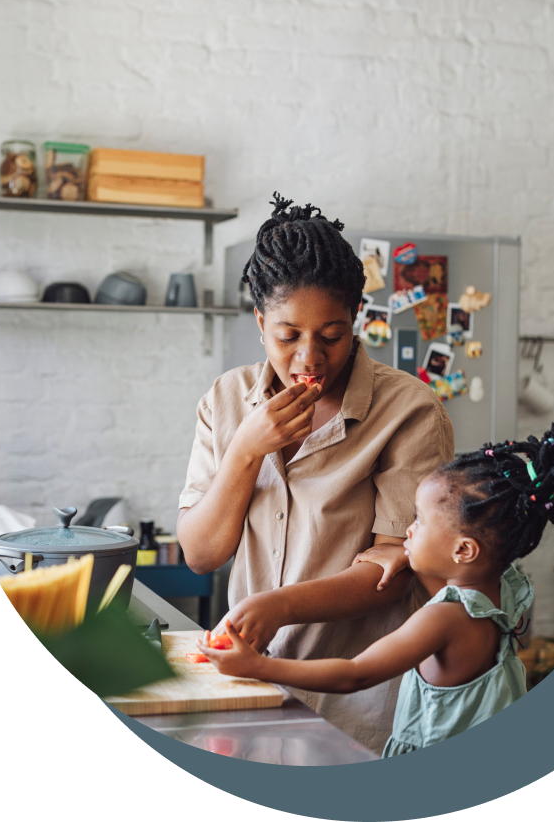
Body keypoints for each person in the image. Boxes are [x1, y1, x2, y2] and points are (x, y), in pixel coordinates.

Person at [176, 193, 454, 754]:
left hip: (355, 706)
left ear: (356, 320)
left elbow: (395, 571)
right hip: (247, 688)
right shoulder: (227, 400)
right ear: (260, 323)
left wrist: (279, 604)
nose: (309, 359)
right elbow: (201, 554)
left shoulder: (411, 411)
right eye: (288, 336)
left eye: (331, 336)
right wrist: (245, 452)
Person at [198, 423, 554, 756]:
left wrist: (258, 667)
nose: (409, 529)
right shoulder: (505, 589)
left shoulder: (445, 618)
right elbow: (451, 577)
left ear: (463, 550)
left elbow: (356, 673)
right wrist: (409, 555)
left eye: (419, 521)